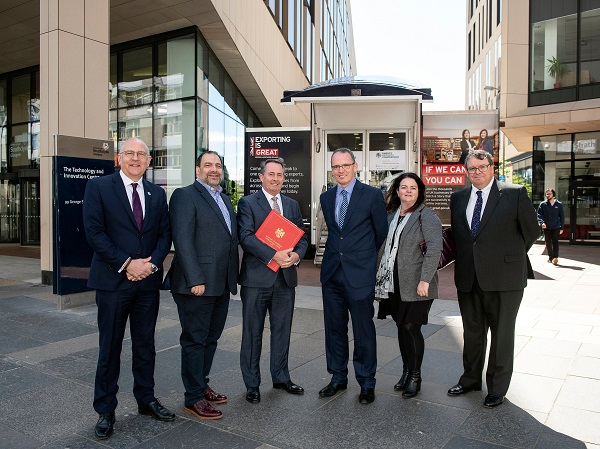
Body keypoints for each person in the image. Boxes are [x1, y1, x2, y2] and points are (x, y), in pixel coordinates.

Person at [83, 137, 174, 440]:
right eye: (130, 153)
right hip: (112, 281)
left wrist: (151, 265)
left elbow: (165, 235)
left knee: (145, 344)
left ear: (149, 161)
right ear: (119, 158)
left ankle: (146, 400)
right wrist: (127, 263)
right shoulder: (100, 187)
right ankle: (105, 409)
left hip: (147, 282)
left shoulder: (157, 193)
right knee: (109, 347)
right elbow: (94, 232)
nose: (136, 158)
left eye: (142, 154)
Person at [448, 149, 539, 408]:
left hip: (505, 279)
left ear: (492, 167)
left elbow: (531, 232)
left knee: (502, 334)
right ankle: (470, 380)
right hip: (468, 278)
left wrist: (508, 258)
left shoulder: (513, 194)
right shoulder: (458, 198)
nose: (476, 172)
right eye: (471, 169)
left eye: (481, 167)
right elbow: (461, 236)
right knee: (473, 333)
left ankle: (497, 388)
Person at [169, 151, 239, 420]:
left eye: (218, 165)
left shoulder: (222, 197)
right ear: (197, 169)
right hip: (196, 284)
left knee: (211, 338)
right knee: (195, 340)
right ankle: (193, 398)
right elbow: (183, 239)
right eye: (208, 165)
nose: (214, 169)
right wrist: (194, 278)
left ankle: (201, 384)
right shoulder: (185, 195)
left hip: (220, 283)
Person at [318, 148, 388, 404]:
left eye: (345, 165)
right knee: (334, 330)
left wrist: (365, 260)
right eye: (336, 167)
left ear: (355, 166)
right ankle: (337, 377)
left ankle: (367, 382)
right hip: (332, 274)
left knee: (363, 330)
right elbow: (337, 233)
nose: (340, 171)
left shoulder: (371, 195)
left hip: (360, 275)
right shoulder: (326, 198)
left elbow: (381, 233)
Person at [237, 158, 308, 404]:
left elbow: (301, 236)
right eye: (271, 174)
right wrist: (273, 254)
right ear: (261, 177)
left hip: (285, 279)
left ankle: (281, 377)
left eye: (279, 175)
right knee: (252, 333)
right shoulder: (248, 203)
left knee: (282, 331)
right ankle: (252, 384)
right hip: (256, 280)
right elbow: (245, 237)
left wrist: (297, 255)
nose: (275, 178)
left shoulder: (291, 205)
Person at [375, 173, 442, 399]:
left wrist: (425, 279)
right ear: (397, 191)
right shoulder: (391, 215)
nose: (408, 191)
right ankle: (406, 371)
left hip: (417, 283)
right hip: (394, 283)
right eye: (404, 187)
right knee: (401, 326)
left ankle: (415, 376)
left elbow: (434, 250)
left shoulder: (427, 216)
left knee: (411, 327)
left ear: (419, 191)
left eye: (413, 187)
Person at [538, 188, 565, 265]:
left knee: (555, 242)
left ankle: (555, 257)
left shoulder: (558, 204)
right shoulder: (543, 204)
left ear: (553, 194)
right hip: (546, 227)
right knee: (548, 243)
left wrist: (562, 227)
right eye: (547, 194)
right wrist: (542, 223)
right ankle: (550, 257)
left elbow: (562, 217)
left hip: (556, 227)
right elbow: (539, 215)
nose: (548, 195)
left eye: (549, 194)